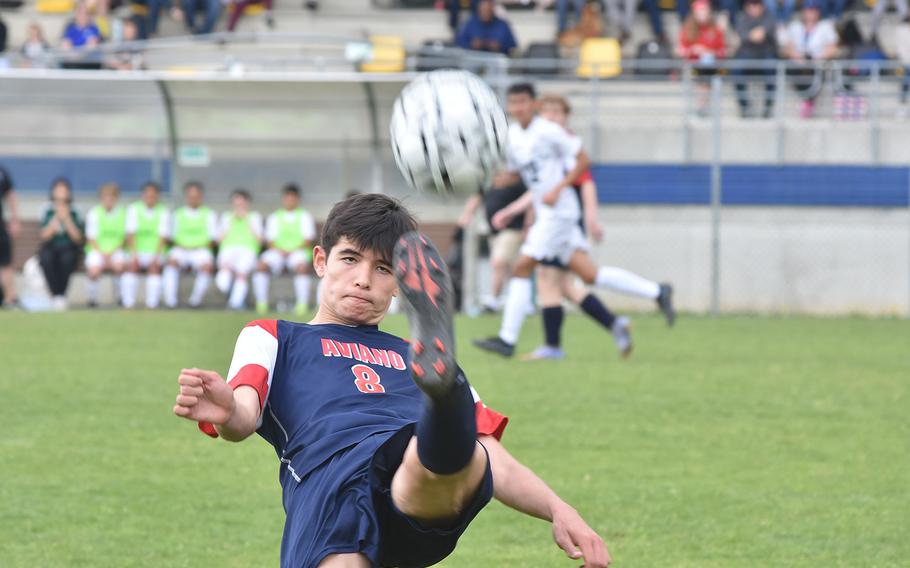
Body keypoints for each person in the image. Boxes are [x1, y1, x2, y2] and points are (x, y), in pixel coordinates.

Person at [172, 193, 611, 568]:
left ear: (401, 283)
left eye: (384, 269)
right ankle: (444, 406)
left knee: (452, 453)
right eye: (350, 259)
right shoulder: (275, 336)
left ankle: (443, 401)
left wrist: (557, 507)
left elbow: (494, 454)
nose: (364, 279)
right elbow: (245, 417)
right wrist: (228, 409)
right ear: (321, 261)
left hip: (413, 463)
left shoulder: (415, 353)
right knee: (444, 446)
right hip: (329, 481)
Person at [474, 83, 675, 358]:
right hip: (548, 213)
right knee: (587, 275)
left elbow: (583, 161)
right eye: (514, 103)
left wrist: (559, 188)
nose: (518, 108)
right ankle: (656, 292)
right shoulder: (513, 137)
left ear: (533, 103)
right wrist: (496, 186)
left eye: (523, 102)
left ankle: (509, 340)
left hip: (560, 213)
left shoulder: (549, 131)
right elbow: (525, 176)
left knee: (523, 268)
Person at [456, 173, 527, 313]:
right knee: (509, 267)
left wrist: (528, 225)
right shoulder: (488, 181)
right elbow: (476, 197)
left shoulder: (517, 182)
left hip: (512, 229)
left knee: (498, 262)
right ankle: (517, 301)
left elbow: (529, 202)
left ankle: (495, 299)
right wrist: (467, 215)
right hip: (494, 232)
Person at [252, 183, 317, 315]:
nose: (290, 201)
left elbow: (307, 241)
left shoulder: (305, 216)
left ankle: (302, 304)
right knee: (261, 266)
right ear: (283, 199)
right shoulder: (275, 216)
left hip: (297, 252)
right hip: (278, 252)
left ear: (298, 199)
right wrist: (281, 250)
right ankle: (262, 303)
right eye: (287, 198)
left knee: (302, 267)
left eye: (293, 198)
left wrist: (291, 250)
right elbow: (270, 241)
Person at [780, 0, 839, 119]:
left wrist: (821, 56)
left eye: (813, 10)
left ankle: (808, 101)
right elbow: (786, 48)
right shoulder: (795, 26)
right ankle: (806, 99)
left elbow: (833, 48)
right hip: (799, 63)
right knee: (790, 69)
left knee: (818, 72)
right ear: (803, 12)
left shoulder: (825, 26)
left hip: (817, 63)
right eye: (808, 10)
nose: (810, 13)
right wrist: (795, 55)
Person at [162, 181, 217, 309]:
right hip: (181, 249)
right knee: (171, 263)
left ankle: (195, 301)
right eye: (191, 196)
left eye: (196, 196)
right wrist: (183, 246)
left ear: (201, 196)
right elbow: (170, 237)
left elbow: (213, 239)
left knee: (206, 266)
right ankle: (171, 301)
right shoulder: (177, 214)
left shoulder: (209, 214)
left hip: (200, 250)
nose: (193, 199)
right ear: (186, 197)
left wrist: (195, 247)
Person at [39, 178, 84, 311]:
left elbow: (77, 238)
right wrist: (57, 218)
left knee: (67, 258)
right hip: (51, 247)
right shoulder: (47, 209)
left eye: (64, 189)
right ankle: (55, 295)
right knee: (45, 259)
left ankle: (61, 295)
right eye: (58, 189)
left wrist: (67, 218)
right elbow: (45, 236)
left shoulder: (75, 210)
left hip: (69, 247)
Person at [122, 181, 169, 309]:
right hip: (136, 251)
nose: (150, 198)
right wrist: (134, 254)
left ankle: (152, 304)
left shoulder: (163, 211)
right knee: (131, 266)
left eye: (153, 196)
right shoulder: (134, 209)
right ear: (142, 195)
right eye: (148, 195)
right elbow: (130, 234)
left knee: (154, 268)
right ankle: (128, 304)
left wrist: (156, 256)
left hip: (155, 252)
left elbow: (163, 237)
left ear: (158, 196)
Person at [214, 189, 263, 311]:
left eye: (242, 204)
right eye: (237, 204)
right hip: (228, 250)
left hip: (248, 250)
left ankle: (235, 304)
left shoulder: (254, 217)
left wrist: (247, 219)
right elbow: (218, 240)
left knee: (242, 274)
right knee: (224, 273)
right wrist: (231, 221)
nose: (239, 207)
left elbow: (260, 240)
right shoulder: (226, 217)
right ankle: (228, 291)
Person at [676, 0, 726, 116]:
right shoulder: (687, 29)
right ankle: (702, 105)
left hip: (711, 66)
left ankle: (702, 105)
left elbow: (722, 52)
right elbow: (681, 51)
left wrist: (707, 51)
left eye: (704, 11)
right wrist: (693, 50)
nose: (702, 14)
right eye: (699, 12)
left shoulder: (716, 29)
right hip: (692, 64)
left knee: (706, 67)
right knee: (699, 72)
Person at [732, 0, 778, 119]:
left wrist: (752, 35)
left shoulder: (769, 17)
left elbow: (765, 32)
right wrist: (752, 35)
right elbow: (743, 35)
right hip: (746, 55)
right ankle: (744, 107)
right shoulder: (742, 18)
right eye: (751, 4)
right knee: (736, 70)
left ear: (762, 6)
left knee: (772, 68)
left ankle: (768, 106)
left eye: (756, 4)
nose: (753, 7)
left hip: (766, 55)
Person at [84, 182, 127, 308]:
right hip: (97, 250)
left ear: (116, 198)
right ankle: (92, 299)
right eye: (105, 197)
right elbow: (91, 238)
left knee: (119, 267)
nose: (108, 200)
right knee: (94, 270)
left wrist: (111, 253)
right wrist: (103, 255)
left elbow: (125, 237)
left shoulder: (122, 213)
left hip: (116, 250)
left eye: (111, 197)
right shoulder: (94, 213)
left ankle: (120, 297)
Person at [0, 165, 20, 308]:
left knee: (6, 263)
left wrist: (15, 219)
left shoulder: (2, 172)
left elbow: (11, 195)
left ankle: (9, 299)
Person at [897, 16, 910, 117]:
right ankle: (902, 107)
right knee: (905, 83)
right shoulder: (902, 31)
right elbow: (901, 49)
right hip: (907, 62)